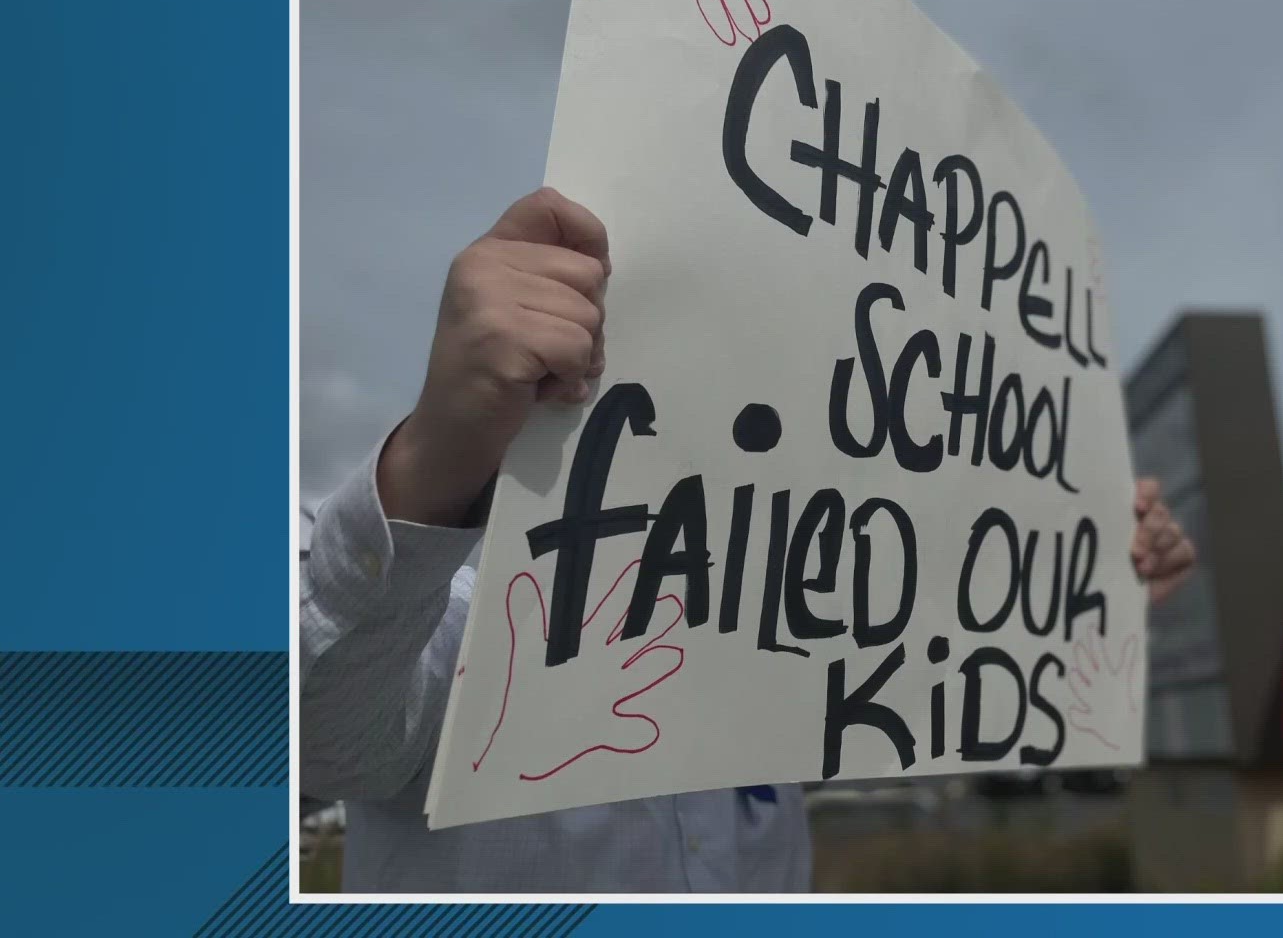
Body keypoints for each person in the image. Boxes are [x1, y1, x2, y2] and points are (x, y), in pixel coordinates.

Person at [300, 188, 1198, 893]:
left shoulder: (784, 618)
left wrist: (1078, 571)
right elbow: (324, 739)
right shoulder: (463, 590)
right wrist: (434, 458)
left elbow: (946, 675)